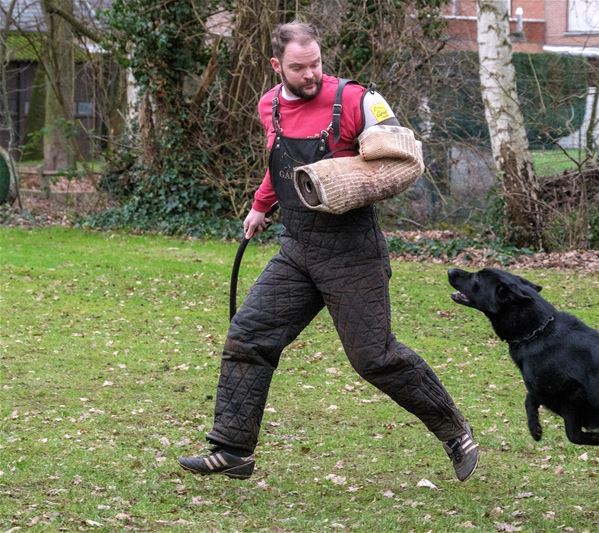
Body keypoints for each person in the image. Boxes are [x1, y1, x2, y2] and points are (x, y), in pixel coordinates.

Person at [178, 21, 478, 482]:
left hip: (352, 252)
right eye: (299, 67)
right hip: (298, 249)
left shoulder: (357, 100)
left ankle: (454, 430)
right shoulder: (270, 105)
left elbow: (400, 158)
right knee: (249, 336)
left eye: (316, 63)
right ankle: (232, 449)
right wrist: (261, 206)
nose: (311, 74)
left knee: (374, 357)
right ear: (277, 65)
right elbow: (279, 163)